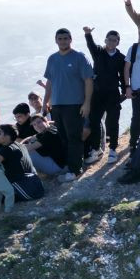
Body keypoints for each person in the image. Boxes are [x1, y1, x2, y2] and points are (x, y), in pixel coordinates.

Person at [42, 27, 93, 182]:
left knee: (74, 137)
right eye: (60, 39)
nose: (63, 41)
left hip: (74, 104)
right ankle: (71, 165)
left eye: (66, 38)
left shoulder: (79, 57)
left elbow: (88, 81)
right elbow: (49, 82)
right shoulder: (52, 59)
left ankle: (75, 170)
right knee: (63, 137)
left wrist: (87, 103)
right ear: (56, 41)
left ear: (71, 39)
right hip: (57, 105)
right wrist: (45, 102)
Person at [84, 27, 129, 160]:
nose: (111, 42)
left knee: (113, 121)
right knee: (94, 121)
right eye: (109, 39)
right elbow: (91, 45)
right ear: (105, 40)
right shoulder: (98, 52)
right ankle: (96, 149)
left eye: (114, 40)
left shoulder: (121, 58)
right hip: (97, 93)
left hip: (113, 94)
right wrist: (88, 34)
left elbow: (123, 76)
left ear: (118, 42)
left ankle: (113, 149)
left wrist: (125, 90)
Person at [0, 125, 45, 201]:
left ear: (7, 136)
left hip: (26, 191)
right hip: (38, 187)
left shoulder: (6, 149)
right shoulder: (21, 145)